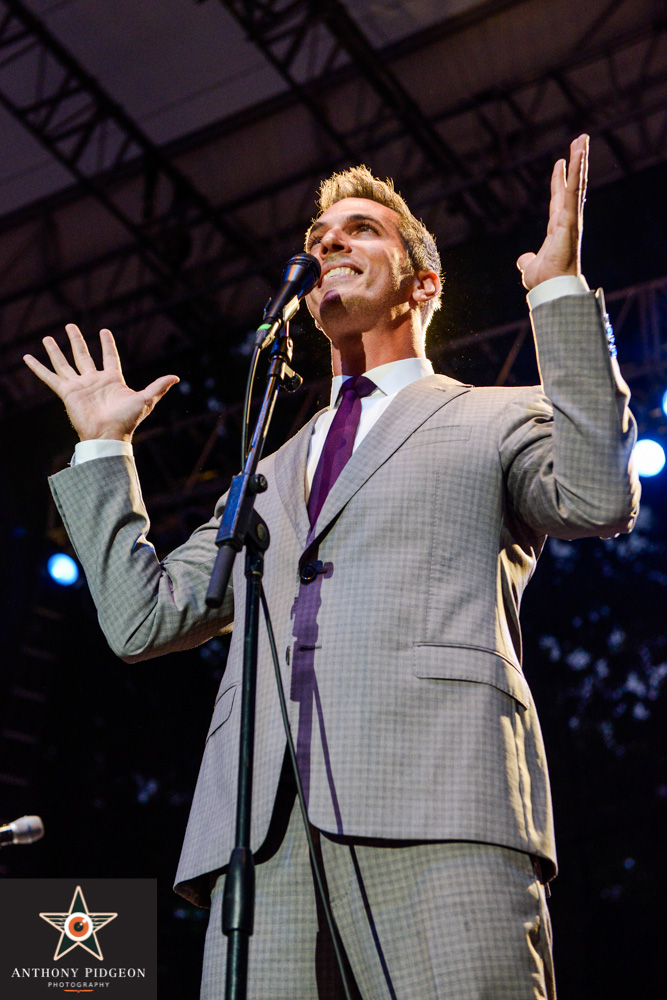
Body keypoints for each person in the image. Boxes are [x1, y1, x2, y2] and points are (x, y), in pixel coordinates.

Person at [24, 134, 639, 1000]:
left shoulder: (495, 417)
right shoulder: (265, 470)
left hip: (440, 806)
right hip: (261, 840)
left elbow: (599, 495)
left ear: (423, 284)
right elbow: (141, 619)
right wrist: (101, 447)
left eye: (360, 230)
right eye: (317, 239)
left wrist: (558, 291)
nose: (328, 244)